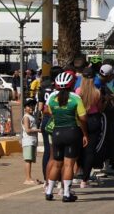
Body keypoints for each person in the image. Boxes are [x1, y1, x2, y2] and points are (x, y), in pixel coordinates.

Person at [44, 72, 88, 202]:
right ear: (72, 84)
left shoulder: (52, 98)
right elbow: (83, 118)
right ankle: (67, 194)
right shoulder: (75, 98)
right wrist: (85, 134)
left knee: (57, 164)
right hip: (72, 132)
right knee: (69, 164)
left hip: (57, 133)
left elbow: (48, 111)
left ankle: (49, 191)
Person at [75, 67, 103, 189]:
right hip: (94, 120)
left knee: (80, 148)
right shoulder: (97, 92)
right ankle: (85, 180)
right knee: (90, 151)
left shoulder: (78, 91)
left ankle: (78, 172)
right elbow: (100, 108)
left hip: (81, 120)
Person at [21, 98, 41, 185]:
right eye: (29, 106)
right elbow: (27, 130)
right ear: (25, 108)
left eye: (32, 105)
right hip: (28, 141)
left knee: (30, 160)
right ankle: (27, 178)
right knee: (28, 160)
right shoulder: (26, 117)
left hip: (32, 141)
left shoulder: (31, 116)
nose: (31, 107)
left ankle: (29, 177)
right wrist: (38, 130)